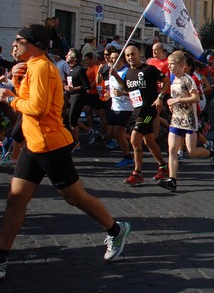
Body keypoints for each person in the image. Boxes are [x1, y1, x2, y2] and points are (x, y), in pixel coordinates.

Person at [0, 24, 131, 279]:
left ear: (35, 44)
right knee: (16, 200)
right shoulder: (31, 67)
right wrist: (16, 79)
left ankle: (116, 229)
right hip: (33, 144)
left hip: (51, 146)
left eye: (19, 40)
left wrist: (8, 98)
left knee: (76, 197)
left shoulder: (41, 68)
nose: (14, 44)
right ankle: (2, 255)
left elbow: (36, 107)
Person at [110, 45, 170, 186]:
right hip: (136, 111)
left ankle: (137, 173)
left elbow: (166, 81)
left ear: (139, 54)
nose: (131, 57)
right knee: (148, 141)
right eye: (128, 55)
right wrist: (116, 76)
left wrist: (160, 97)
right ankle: (163, 166)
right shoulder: (130, 72)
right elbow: (127, 88)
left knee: (135, 139)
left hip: (149, 110)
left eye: (133, 54)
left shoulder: (149, 69)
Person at [159, 51, 214, 191]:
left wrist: (178, 100)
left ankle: (212, 153)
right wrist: (171, 104)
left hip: (189, 120)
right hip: (176, 120)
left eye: (171, 65)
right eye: (169, 65)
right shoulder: (174, 79)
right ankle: (172, 180)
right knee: (172, 149)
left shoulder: (187, 79)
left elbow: (196, 98)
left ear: (180, 65)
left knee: (191, 151)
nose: (169, 67)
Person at [105, 48, 135, 167]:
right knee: (111, 133)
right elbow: (111, 87)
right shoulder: (112, 71)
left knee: (118, 133)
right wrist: (108, 93)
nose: (112, 60)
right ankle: (135, 140)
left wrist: (122, 93)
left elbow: (132, 91)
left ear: (121, 59)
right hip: (114, 105)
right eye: (111, 58)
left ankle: (128, 157)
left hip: (125, 106)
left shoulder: (127, 72)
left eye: (115, 58)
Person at [64, 48, 90, 149]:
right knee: (66, 117)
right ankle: (72, 140)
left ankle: (76, 142)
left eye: (69, 55)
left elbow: (86, 86)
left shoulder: (79, 69)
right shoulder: (70, 69)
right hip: (71, 96)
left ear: (74, 58)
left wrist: (73, 88)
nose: (66, 56)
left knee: (72, 120)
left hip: (78, 97)